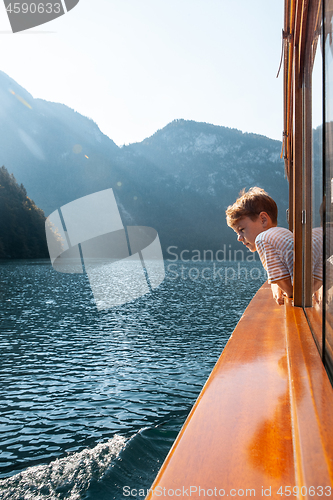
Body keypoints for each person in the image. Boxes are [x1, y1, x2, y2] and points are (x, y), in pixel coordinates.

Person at [226, 187, 293, 305]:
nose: (239, 238)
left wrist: (281, 286)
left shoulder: (263, 239)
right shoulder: (282, 234)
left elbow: (291, 292)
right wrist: (275, 283)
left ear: (263, 219)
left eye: (242, 230)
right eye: (237, 233)